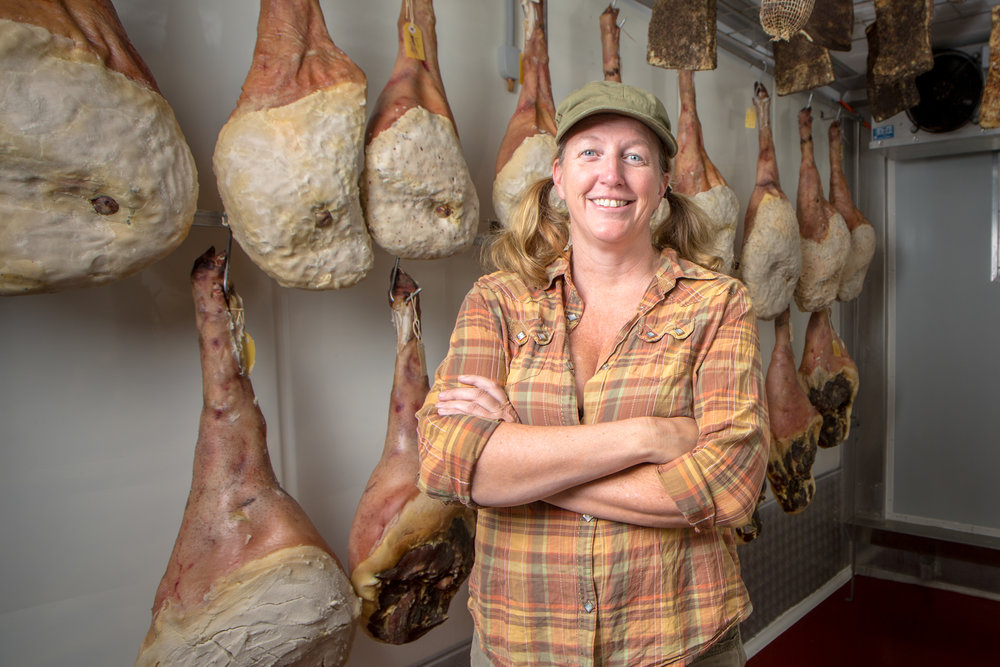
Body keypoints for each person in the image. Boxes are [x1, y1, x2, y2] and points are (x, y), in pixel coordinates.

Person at [415, 80, 768, 667]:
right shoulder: (497, 302)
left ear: (662, 183)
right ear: (558, 176)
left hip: (676, 643)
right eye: (590, 153)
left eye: (635, 156)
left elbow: (728, 488)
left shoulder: (716, 304)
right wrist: (646, 437)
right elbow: (443, 461)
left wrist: (517, 467)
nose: (613, 175)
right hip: (522, 645)